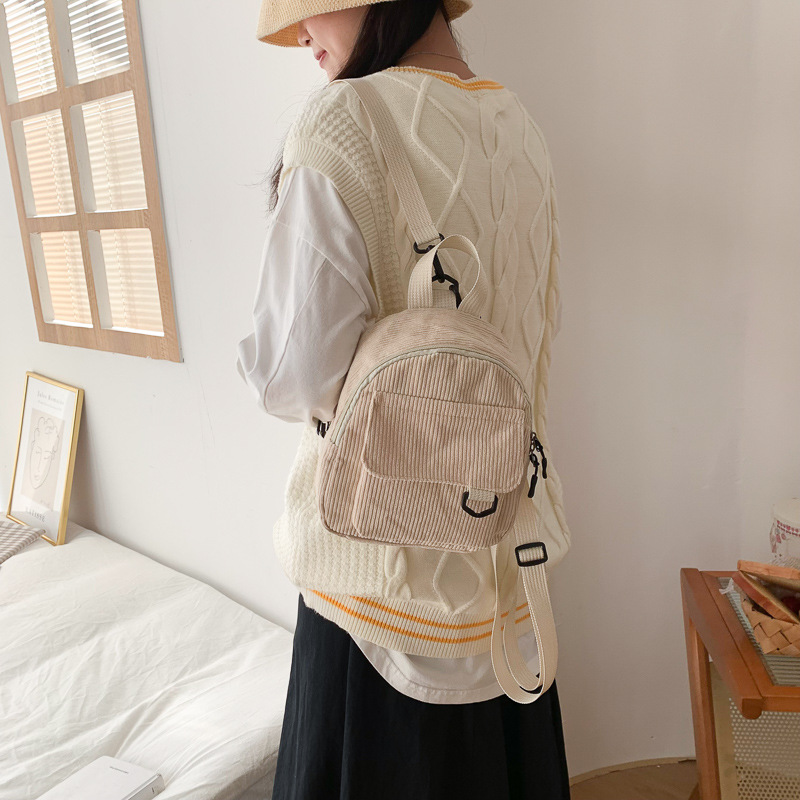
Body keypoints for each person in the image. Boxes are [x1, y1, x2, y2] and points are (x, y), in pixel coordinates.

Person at [236, 1, 573, 797]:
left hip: (377, 602)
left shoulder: (344, 122)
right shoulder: (519, 125)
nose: (300, 33)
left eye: (307, 10)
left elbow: (291, 375)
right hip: (509, 580)